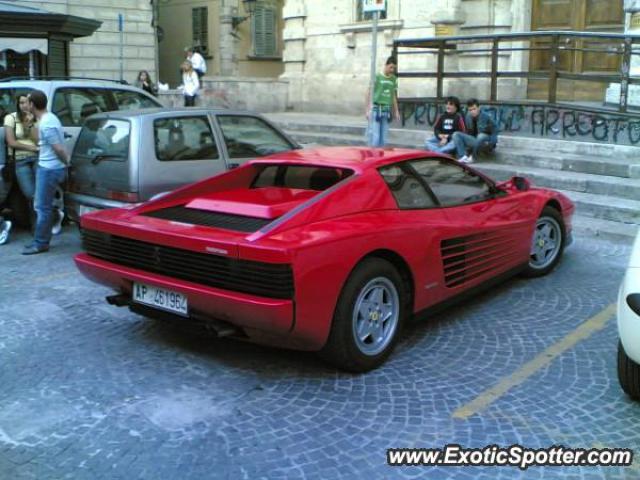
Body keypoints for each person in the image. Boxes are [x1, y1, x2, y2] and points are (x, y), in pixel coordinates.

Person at [22, 90, 69, 255]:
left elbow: (58, 148)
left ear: (33, 104)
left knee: (42, 207)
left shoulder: (47, 122)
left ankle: (41, 243)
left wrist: (65, 162)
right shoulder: (46, 119)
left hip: (49, 169)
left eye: (27, 102)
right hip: (48, 167)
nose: (25, 105)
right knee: (42, 205)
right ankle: (40, 239)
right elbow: (41, 142)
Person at [4, 94, 39, 222]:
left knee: (39, 192)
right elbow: (11, 142)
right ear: (17, 105)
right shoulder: (11, 118)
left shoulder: (35, 118)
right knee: (30, 193)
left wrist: (30, 124)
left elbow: (38, 141)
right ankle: (46, 219)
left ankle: (37, 226)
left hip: (37, 158)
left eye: (27, 102)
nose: (24, 105)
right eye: (21, 103)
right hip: (21, 160)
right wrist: (32, 148)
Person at [366, 56, 400, 147]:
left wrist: (396, 111)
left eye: (394, 68)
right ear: (386, 65)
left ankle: (380, 157)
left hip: (386, 110)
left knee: (384, 138)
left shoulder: (394, 79)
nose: (392, 70)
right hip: (376, 109)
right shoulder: (377, 76)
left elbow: (393, 96)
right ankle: (373, 157)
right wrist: (368, 109)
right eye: (391, 67)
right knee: (375, 137)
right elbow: (369, 93)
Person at [452, 99, 498, 164]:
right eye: (470, 110)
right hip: (475, 140)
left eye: (474, 109)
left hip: (485, 143)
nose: (472, 111)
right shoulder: (468, 116)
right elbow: (468, 132)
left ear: (479, 108)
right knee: (456, 134)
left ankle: (473, 157)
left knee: (481, 136)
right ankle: (463, 156)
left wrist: (492, 143)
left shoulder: (486, 116)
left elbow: (495, 130)